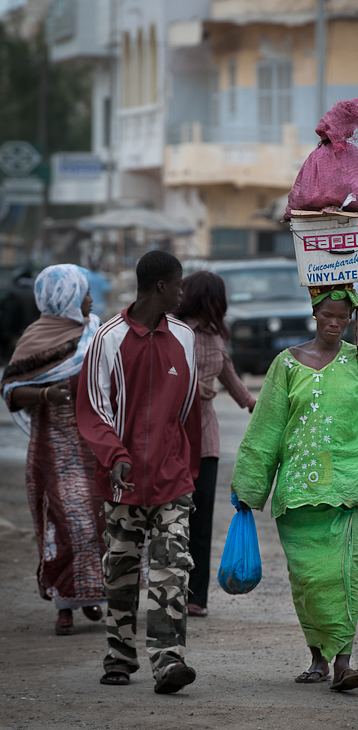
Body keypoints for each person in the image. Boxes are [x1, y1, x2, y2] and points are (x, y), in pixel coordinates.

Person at [231, 283, 358, 692]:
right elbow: (266, 429)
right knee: (307, 579)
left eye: (343, 317)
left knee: (342, 574)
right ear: (315, 314)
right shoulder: (285, 365)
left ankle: (344, 662)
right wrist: (250, 489)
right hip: (297, 494)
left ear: (351, 318)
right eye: (329, 316)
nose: (336, 324)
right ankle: (317, 658)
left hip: (348, 487)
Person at [76, 250, 201, 694]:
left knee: (173, 570)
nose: (183, 292)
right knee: (121, 572)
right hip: (121, 483)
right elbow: (93, 410)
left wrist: (186, 468)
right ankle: (119, 657)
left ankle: (169, 661)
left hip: (171, 482)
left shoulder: (185, 338)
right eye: (179, 284)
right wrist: (116, 456)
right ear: (160, 287)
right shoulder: (107, 339)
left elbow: (186, 413)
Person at [1, 264, 105, 636]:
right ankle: (65, 604)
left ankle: (91, 594)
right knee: (62, 524)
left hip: (95, 446)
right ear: (66, 297)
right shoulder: (36, 338)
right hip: (53, 450)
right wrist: (46, 393)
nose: (91, 299)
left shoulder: (95, 333)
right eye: (85, 293)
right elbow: (11, 392)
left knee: (99, 521)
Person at [175, 270, 256, 617]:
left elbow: (230, 377)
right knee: (170, 515)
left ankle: (196, 597)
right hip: (173, 436)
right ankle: (167, 587)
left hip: (205, 439)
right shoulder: (173, 332)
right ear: (208, 300)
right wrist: (192, 390)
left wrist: (258, 406)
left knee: (201, 519)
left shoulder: (214, 336)